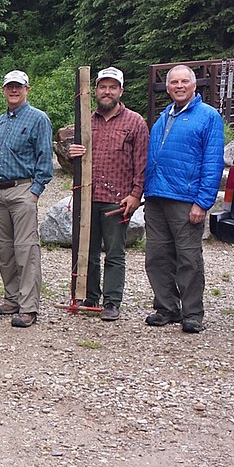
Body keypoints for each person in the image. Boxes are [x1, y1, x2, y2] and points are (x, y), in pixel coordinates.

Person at [143, 65, 225, 333]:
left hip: (185, 199)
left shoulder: (208, 117)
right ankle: (166, 307)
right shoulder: (164, 117)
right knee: (157, 256)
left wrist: (203, 202)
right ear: (167, 88)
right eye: (174, 82)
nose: (179, 86)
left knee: (188, 258)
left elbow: (212, 162)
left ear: (194, 85)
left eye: (184, 81)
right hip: (156, 196)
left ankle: (192, 313)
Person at [66, 67, 149, 321]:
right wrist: (72, 155)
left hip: (118, 200)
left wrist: (136, 195)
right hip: (89, 198)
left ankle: (112, 301)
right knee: (87, 251)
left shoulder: (135, 122)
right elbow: (77, 161)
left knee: (114, 253)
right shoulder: (86, 122)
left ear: (121, 91)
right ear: (95, 90)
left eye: (113, 87)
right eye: (103, 86)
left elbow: (142, 162)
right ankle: (90, 296)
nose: (107, 91)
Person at [0, 70, 54, 328]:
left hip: (23, 189)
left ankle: (29, 307)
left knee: (26, 250)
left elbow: (44, 157)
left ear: (27, 89)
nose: (14, 90)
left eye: (19, 86)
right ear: (4, 90)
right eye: (9, 87)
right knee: (4, 250)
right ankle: (12, 298)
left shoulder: (38, 119)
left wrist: (35, 190)